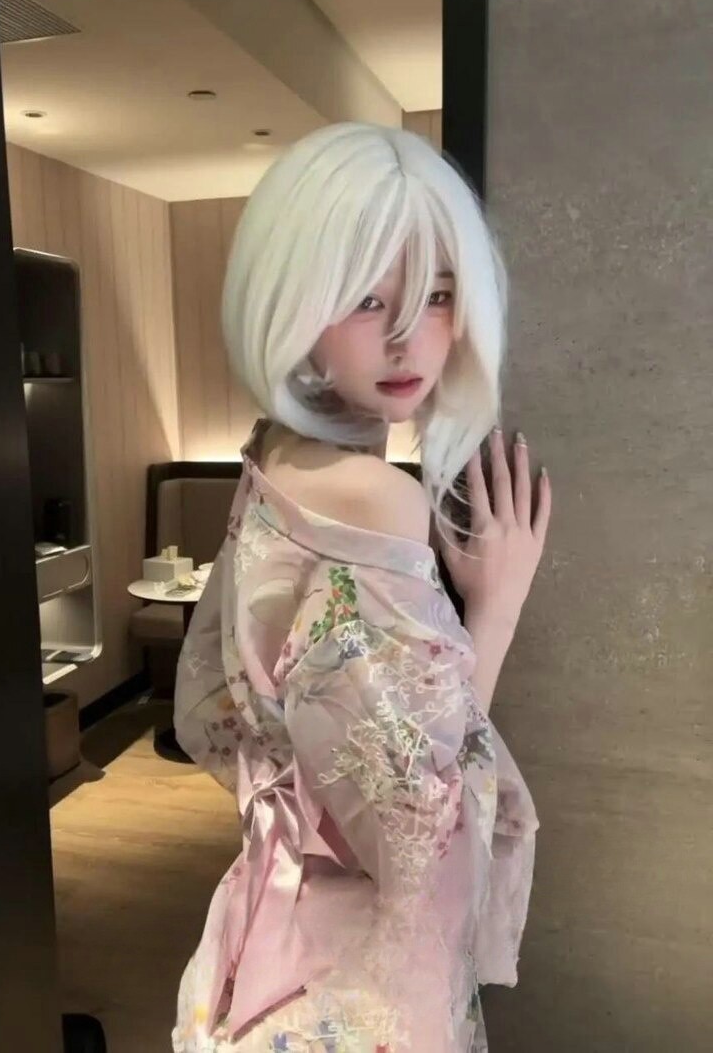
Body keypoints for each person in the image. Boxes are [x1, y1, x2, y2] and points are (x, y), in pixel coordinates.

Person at [171, 122, 552, 1053]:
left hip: (262, 936)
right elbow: (420, 828)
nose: (407, 336)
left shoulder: (270, 459)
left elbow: (213, 715)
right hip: (349, 984)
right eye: (366, 298)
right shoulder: (375, 500)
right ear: (293, 301)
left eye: (438, 295)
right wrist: (496, 606)